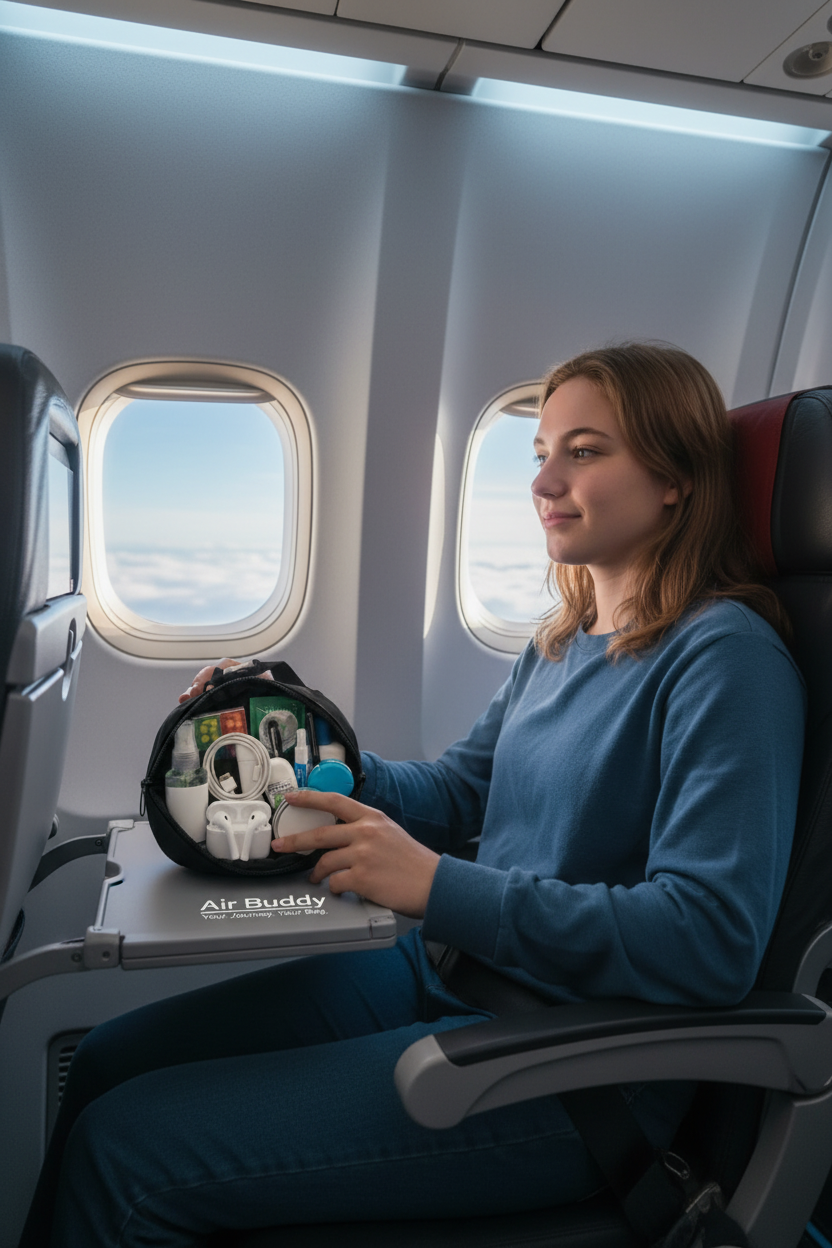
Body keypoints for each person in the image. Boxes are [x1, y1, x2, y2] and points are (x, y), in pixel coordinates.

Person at [21, 342, 806, 1247]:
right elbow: (460, 791)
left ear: (676, 480)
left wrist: (437, 887)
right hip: (448, 974)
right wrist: (309, 740)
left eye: (585, 452)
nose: (544, 482)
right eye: (540, 453)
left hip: (574, 1061)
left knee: (126, 1153)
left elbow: (710, 939)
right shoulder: (560, 641)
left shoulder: (726, 660)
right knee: (109, 1061)